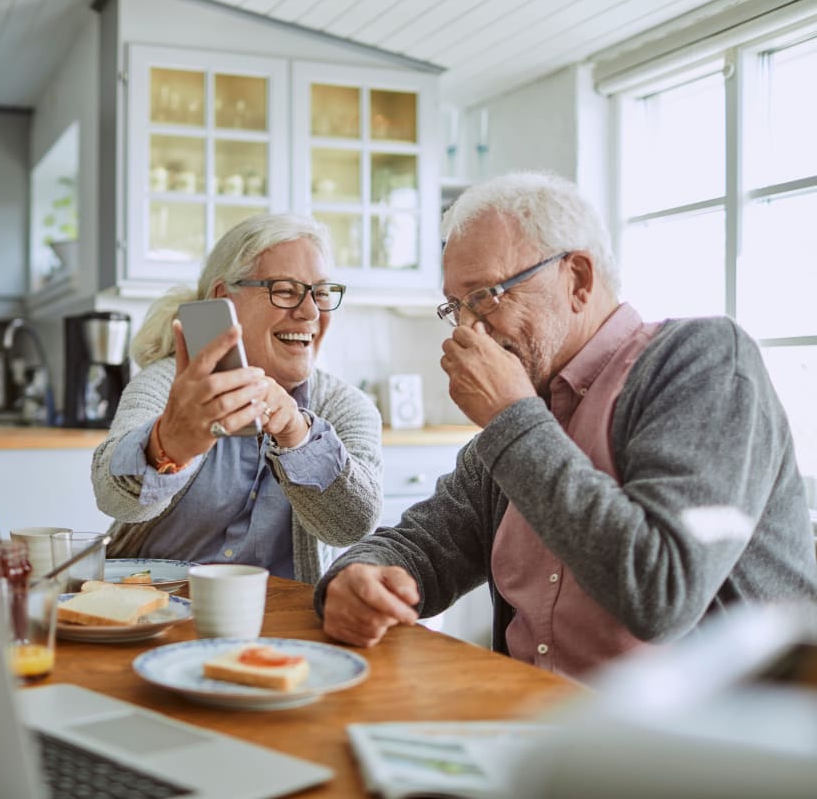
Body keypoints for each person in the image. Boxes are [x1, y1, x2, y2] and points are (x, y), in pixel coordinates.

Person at [314, 171, 817, 680]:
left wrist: (510, 417)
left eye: (486, 295)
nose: (467, 329)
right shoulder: (528, 405)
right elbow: (425, 541)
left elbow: (660, 592)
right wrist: (355, 578)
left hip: (710, 744)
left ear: (577, 279)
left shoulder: (702, 364)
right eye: (456, 306)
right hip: (535, 726)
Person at [92, 213, 382, 585]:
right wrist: (167, 446)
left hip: (279, 623)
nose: (310, 312)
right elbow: (112, 495)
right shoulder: (169, 384)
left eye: (321, 293)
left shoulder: (346, 407)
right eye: (285, 289)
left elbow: (351, 527)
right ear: (222, 298)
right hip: (153, 610)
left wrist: (297, 434)